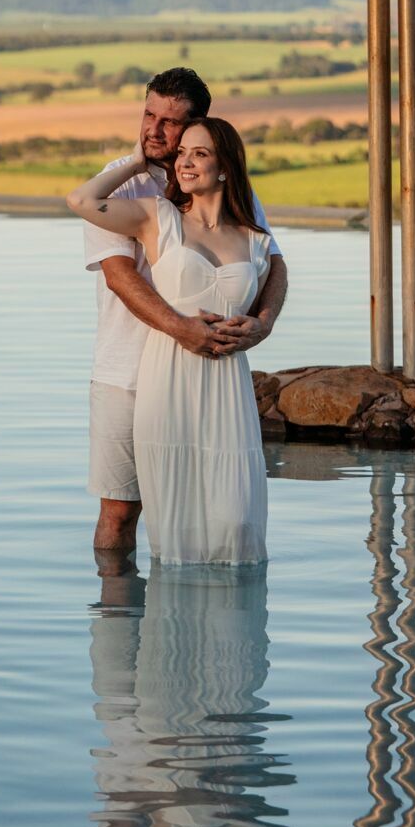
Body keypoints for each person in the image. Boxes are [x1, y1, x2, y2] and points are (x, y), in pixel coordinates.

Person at [78, 69, 286, 564]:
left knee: (219, 508)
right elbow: (119, 276)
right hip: (126, 373)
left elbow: (273, 261)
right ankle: (121, 622)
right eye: (149, 114)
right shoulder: (127, 187)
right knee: (121, 509)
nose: (155, 129)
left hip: (209, 377)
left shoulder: (220, 182)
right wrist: (182, 330)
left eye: (170, 122)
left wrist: (265, 322)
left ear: (198, 125)